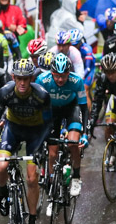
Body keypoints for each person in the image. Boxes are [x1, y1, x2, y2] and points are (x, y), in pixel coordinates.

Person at [0, 59, 53, 224]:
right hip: (13, 129)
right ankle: (3, 195)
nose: (23, 83)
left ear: (32, 78)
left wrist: (40, 148)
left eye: (26, 78)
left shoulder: (42, 95)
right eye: (19, 78)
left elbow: (49, 123)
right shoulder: (4, 92)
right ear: (13, 77)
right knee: (0, 166)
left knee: (32, 178)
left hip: (35, 132)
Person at [36, 53, 88, 199]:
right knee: (52, 152)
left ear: (68, 73)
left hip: (72, 108)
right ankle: (53, 181)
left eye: (63, 76)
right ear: (51, 73)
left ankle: (76, 177)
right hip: (52, 112)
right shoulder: (42, 80)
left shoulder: (76, 81)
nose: (59, 79)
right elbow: (38, 105)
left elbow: (84, 107)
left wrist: (85, 133)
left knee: (72, 143)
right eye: (56, 76)